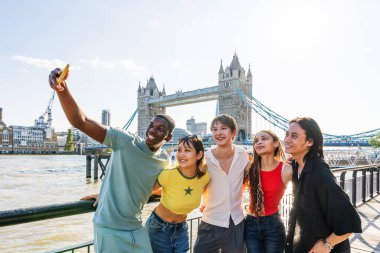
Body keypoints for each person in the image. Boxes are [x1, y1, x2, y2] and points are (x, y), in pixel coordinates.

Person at [48, 67, 175, 253]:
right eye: (151, 125)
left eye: (160, 129)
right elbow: (80, 121)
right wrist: (63, 89)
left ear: (168, 138)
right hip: (109, 229)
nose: (152, 130)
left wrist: (107, 193)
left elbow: (154, 188)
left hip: (136, 228)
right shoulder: (124, 140)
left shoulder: (164, 160)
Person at [284, 117, 362, 253]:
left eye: (294, 136)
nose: (287, 139)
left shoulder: (319, 174)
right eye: (287, 134)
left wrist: (327, 245)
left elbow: (349, 221)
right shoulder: (297, 166)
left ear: (310, 141)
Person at [193, 114, 250, 253]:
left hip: (237, 222)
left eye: (223, 128)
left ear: (233, 133)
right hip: (210, 222)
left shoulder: (243, 155)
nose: (218, 133)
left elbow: (249, 179)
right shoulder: (204, 158)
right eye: (214, 129)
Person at [146, 135, 210, 253]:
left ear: (199, 155)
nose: (181, 154)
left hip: (181, 227)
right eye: (179, 149)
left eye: (187, 150)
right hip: (158, 227)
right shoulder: (168, 174)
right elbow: (143, 192)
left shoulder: (205, 177)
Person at [245, 130, 293, 253]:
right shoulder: (249, 168)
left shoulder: (286, 169)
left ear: (276, 143)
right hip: (250, 224)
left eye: (264, 139)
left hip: (273, 225)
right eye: (256, 141)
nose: (259, 142)